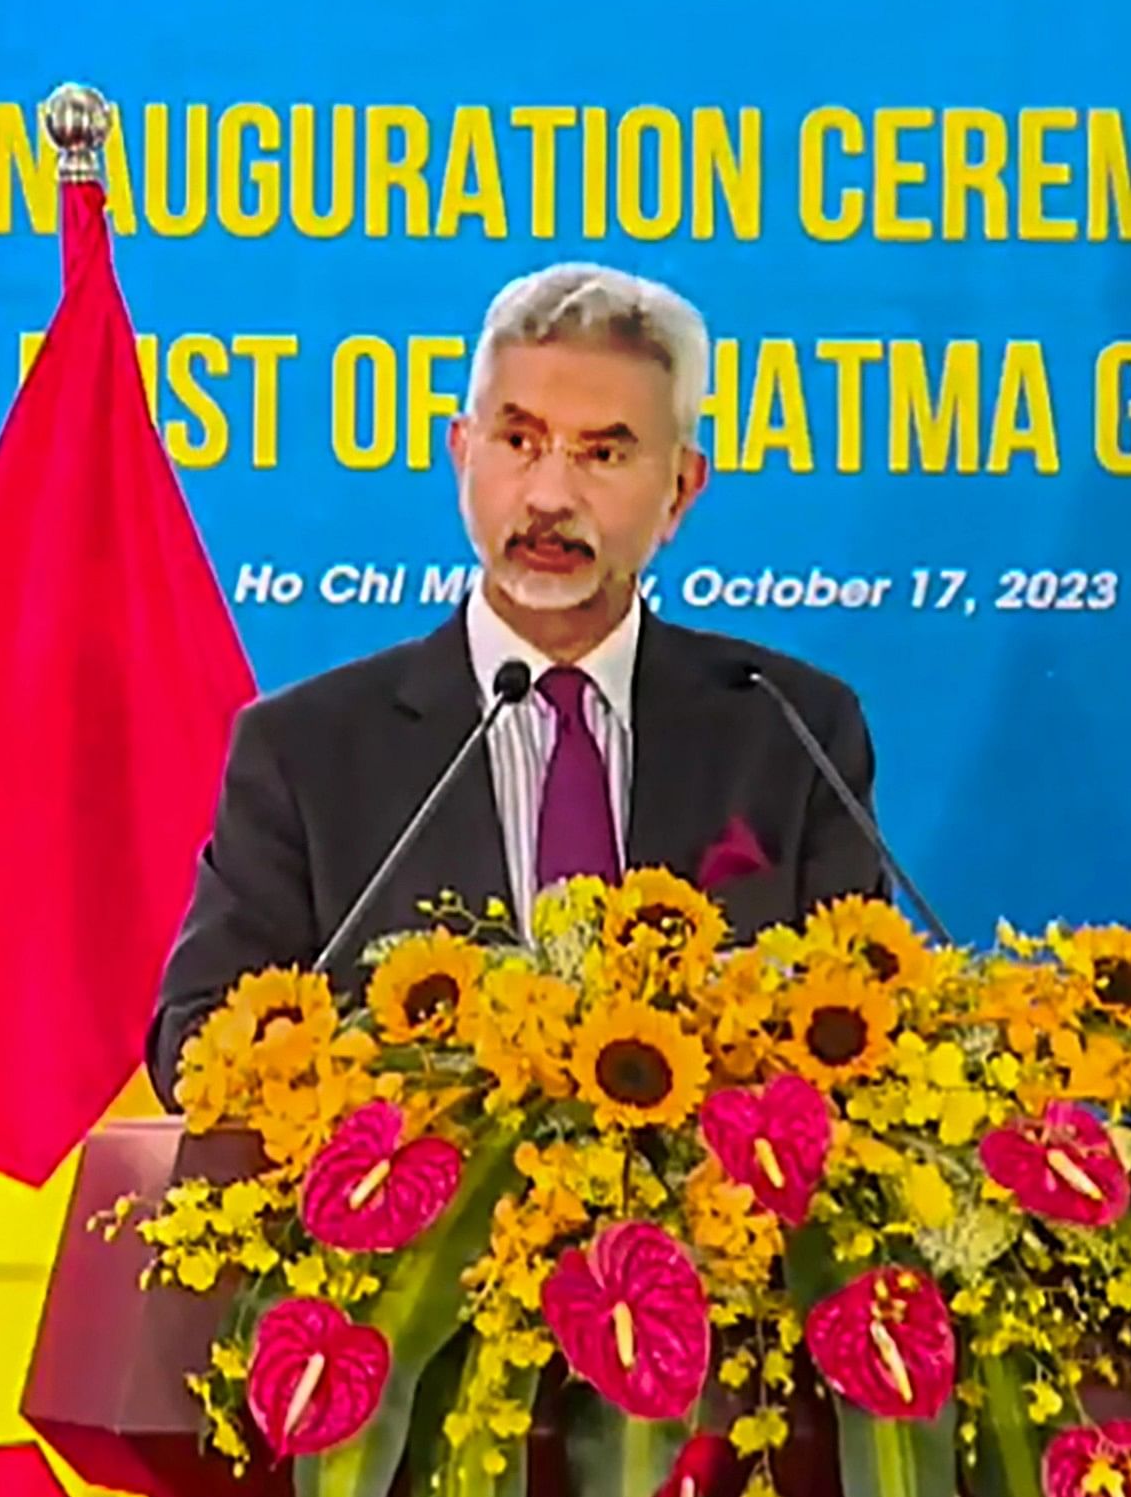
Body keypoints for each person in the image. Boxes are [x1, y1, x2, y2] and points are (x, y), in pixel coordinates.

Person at [149, 263, 886, 1087]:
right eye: (519, 440)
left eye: (603, 452)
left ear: (680, 489)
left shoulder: (789, 731)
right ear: (464, 455)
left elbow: (866, 1028)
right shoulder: (307, 753)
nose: (549, 495)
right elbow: (198, 1043)